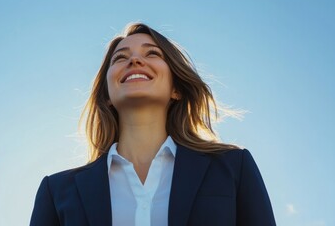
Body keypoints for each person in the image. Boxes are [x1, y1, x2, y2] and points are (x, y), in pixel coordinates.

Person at [29, 23, 276, 226]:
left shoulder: (233, 168)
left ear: (176, 88)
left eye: (152, 54)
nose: (135, 60)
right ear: (106, 94)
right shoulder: (57, 191)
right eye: (121, 57)